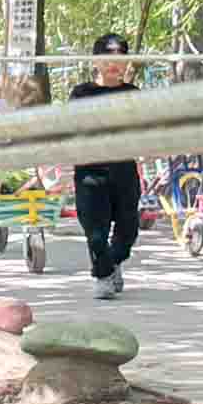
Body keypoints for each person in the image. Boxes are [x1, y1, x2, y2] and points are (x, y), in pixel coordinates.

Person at [70, 31, 143, 300]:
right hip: (91, 171)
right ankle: (102, 275)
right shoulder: (81, 93)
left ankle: (113, 263)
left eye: (120, 58)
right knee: (96, 232)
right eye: (107, 58)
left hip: (123, 170)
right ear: (96, 61)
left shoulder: (133, 94)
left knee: (128, 230)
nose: (114, 64)